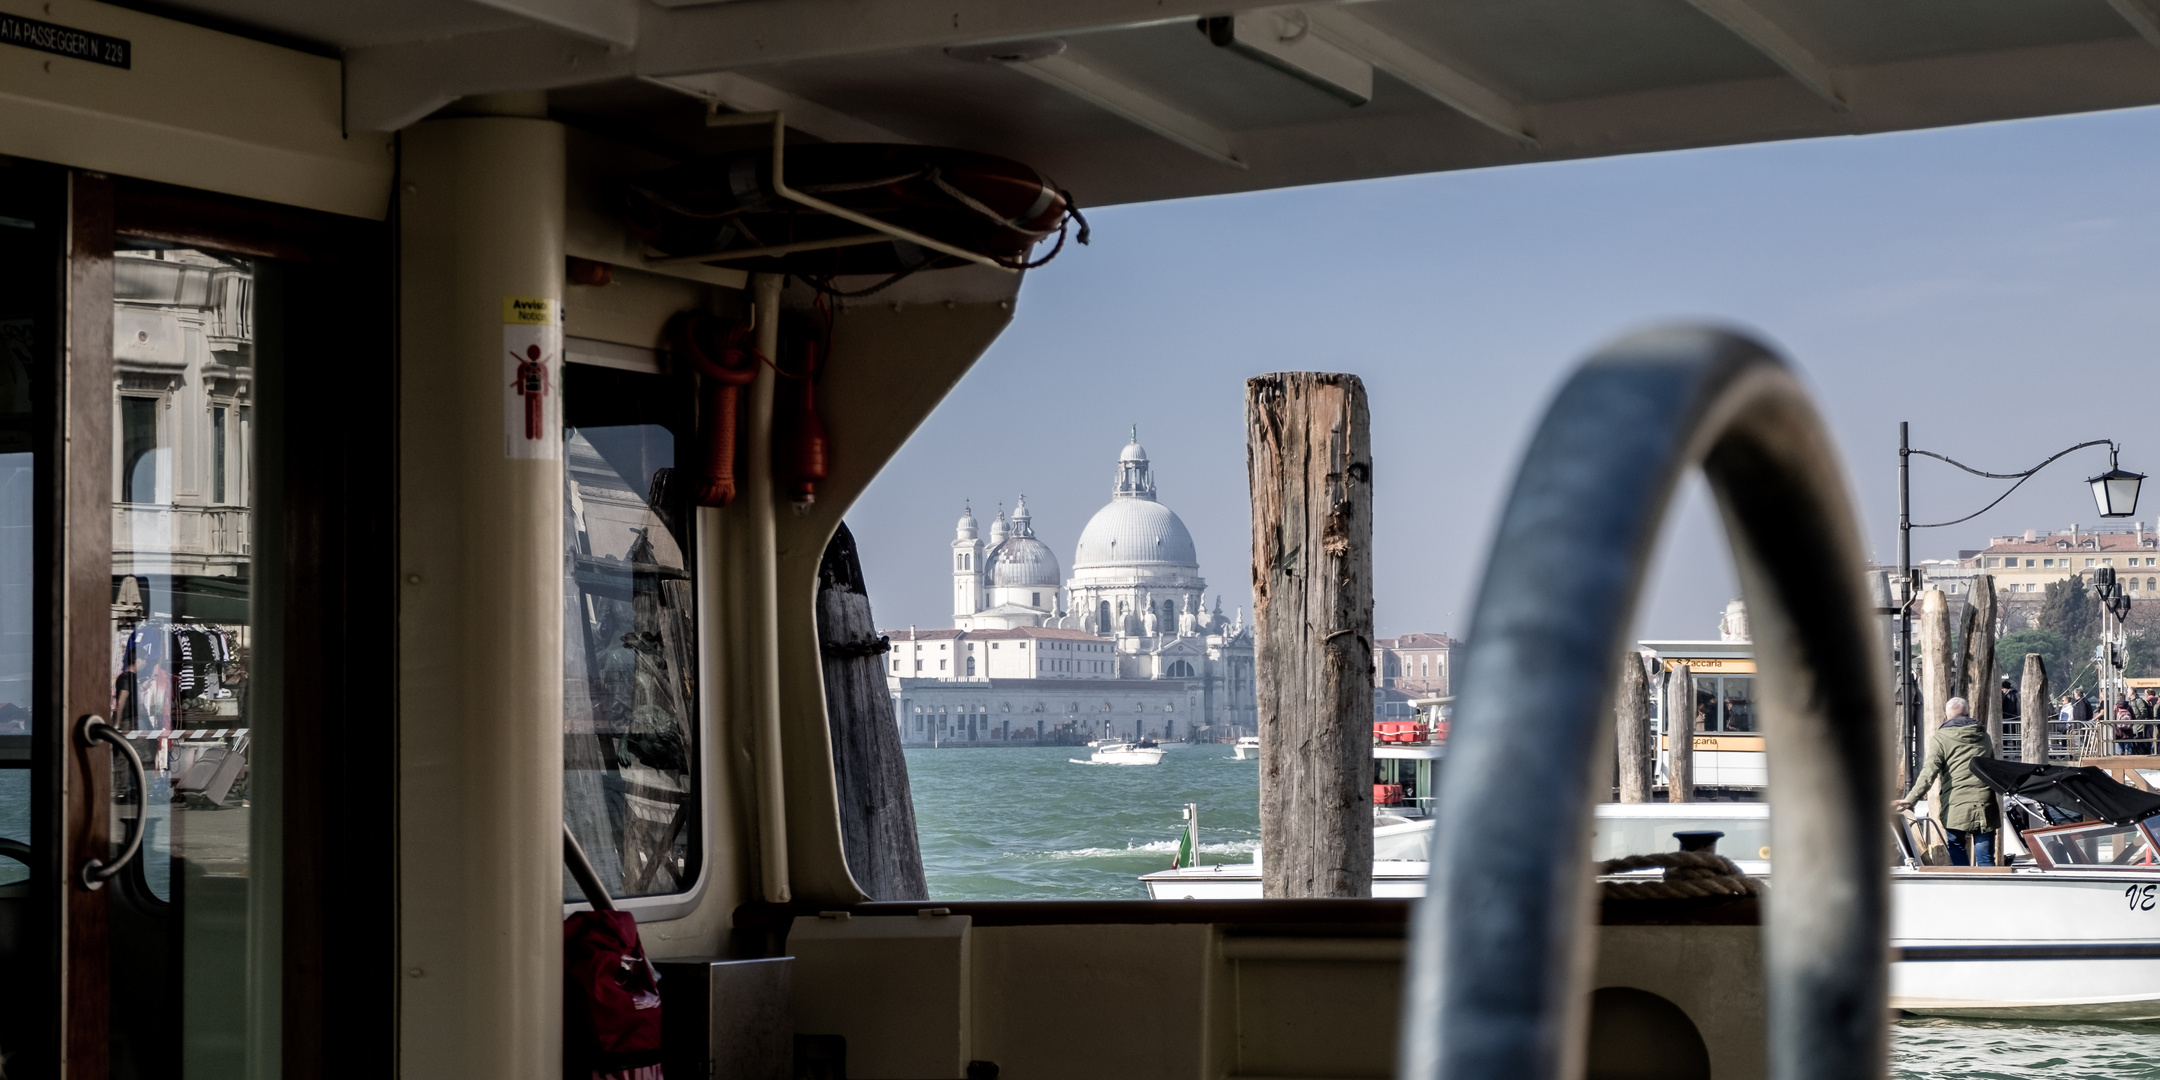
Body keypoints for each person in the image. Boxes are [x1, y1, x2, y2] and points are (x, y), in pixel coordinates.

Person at [1895, 697, 2000, 866]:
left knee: (1957, 846)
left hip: (1955, 805)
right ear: (1968, 714)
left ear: (1945, 717)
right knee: (1986, 858)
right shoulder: (1984, 736)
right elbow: (1992, 768)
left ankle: (1964, 886)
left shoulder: (1941, 738)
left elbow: (1929, 772)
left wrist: (1910, 799)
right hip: (1984, 804)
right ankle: (1989, 890)